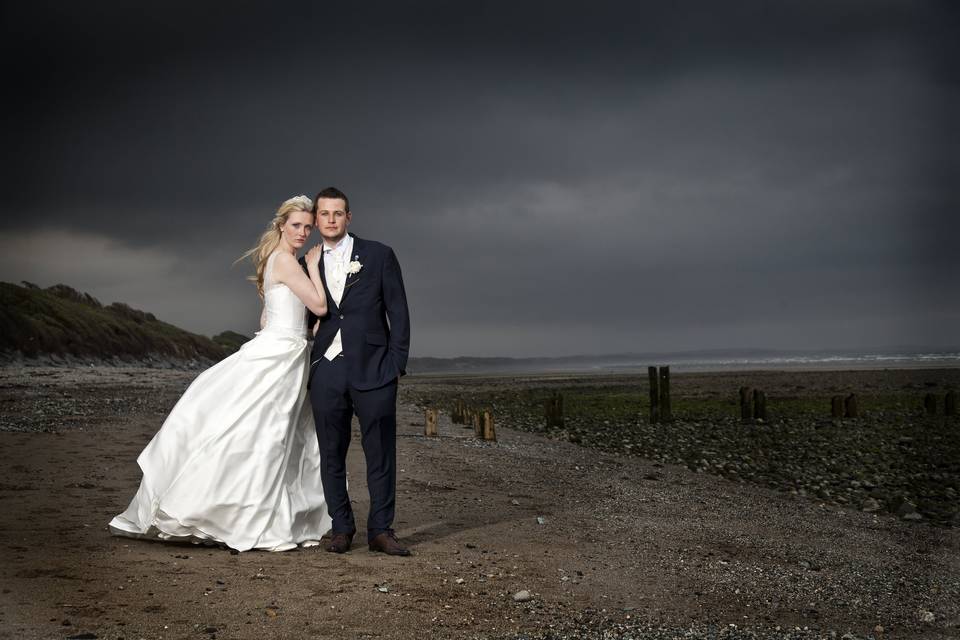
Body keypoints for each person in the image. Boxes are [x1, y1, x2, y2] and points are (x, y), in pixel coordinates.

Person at [108, 195, 332, 552]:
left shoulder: (274, 262)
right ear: (281, 226)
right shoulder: (289, 262)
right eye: (296, 226)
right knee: (267, 435)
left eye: (308, 227)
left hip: (278, 349)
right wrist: (317, 268)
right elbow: (319, 305)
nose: (303, 232)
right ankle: (245, 515)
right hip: (280, 355)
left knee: (262, 433)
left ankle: (238, 510)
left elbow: (265, 319)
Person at [305, 186, 411, 556]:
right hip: (327, 371)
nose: (331, 220)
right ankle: (341, 528)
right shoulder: (308, 262)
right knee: (331, 453)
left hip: (375, 369)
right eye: (324, 214)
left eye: (338, 213)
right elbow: (306, 313)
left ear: (348, 218)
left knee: (380, 452)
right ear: (316, 219)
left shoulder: (379, 255)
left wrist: (396, 364)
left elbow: (398, 311)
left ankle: (381, 530)